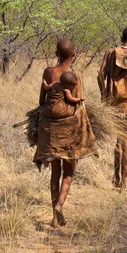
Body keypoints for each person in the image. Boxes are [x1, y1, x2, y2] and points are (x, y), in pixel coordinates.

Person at [33, 39, 96, 228]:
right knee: (68, 172)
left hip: (49, 128)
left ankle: (54, 214)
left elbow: (41, 101)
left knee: (55, 170)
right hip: (68, 128)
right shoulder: (75, 75)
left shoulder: (48, 72)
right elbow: (79, 105)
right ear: (74, 54)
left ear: (56, 53)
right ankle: (60, 206)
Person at [99, 27, 127, 191]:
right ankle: (123, 182)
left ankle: (115, 177)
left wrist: (104, 95)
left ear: (121, 38)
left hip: (113, 105)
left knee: (118, 142)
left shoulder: (110, 53)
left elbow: (100, 75)